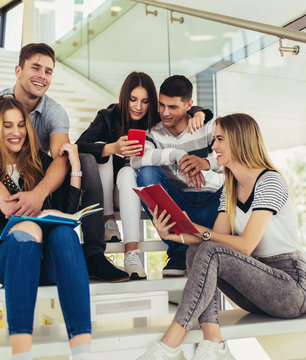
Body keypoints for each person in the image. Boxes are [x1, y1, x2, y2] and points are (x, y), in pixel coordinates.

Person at [0, 43, 128, 293]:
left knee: (86, 161)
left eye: (48, 71)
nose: (42, 76)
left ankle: (93, 254)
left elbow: (61, 158)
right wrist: (3, 197)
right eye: (35, 68)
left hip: (31, 177)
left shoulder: (54, 112)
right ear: (18, 70)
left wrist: (38, 196)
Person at [138, 113, 306, 360]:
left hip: (289, 289)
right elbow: (214, 238)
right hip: (255, 287)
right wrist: (173, 235)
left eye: (219, 139)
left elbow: (245, 246)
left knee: (209, 249)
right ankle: (213, 342)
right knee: (197, 250)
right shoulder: (229, 189)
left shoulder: (269, 181)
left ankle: (170, 343)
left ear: (239, 141)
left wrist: (200, 230)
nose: (213, 146)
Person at [0, 97, 92, 359]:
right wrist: (19, 224)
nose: (16, 132)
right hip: (10, 257)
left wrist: (75, 168)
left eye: (21, 125)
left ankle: (82, 351)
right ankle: (21, 354)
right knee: (29, 231)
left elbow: (66, 211)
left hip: (52, 258)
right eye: (7, 126)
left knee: (65, 232)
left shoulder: (40, 163)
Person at [76, 72, 212, 279]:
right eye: (133, 99)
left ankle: (131, 253)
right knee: (104, 151)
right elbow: (79, 146)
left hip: (138, 187)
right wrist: (113, 147)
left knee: (129, 171)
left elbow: (183, 110)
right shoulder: (108, 116)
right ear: (124, 98)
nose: (138, 107)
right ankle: (108, 220)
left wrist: (199, 112)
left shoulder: (159, 119)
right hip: (110, 191)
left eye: (145, 101)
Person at [131, 75, 222, 277]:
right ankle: (178, 251)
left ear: (189, 105)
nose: (165, 112)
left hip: (212, 203)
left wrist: (206, 163)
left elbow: (237, 158)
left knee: (237, 178)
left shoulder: (208, 127)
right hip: (178, 205)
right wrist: (174, 155)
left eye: (172, 107)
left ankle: (215, 247)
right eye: (162, 105)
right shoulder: (152, 133)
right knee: (146, 174)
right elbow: (135, 161)